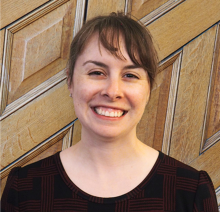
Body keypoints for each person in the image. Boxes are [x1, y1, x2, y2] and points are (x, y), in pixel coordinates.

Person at [1, 12, 218, 212]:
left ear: (149, 88)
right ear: (70, 81)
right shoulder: (25, 188)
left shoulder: (190, 191)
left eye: (130, 75)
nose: (113, 91)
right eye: (97, 72)